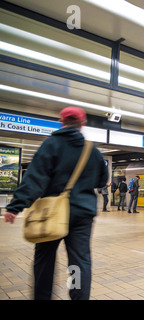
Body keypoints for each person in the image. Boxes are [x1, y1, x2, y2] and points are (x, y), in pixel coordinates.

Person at [3, 106, 108, 300]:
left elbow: (35, 179)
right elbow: (102, 180)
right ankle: (78, 297)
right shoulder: (92, 150)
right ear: (82, 124)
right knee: (78, 261)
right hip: (82, 214)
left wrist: (15, 207)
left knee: (44, 259)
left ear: (61, 122)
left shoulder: (50, 144)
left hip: (51, 213)